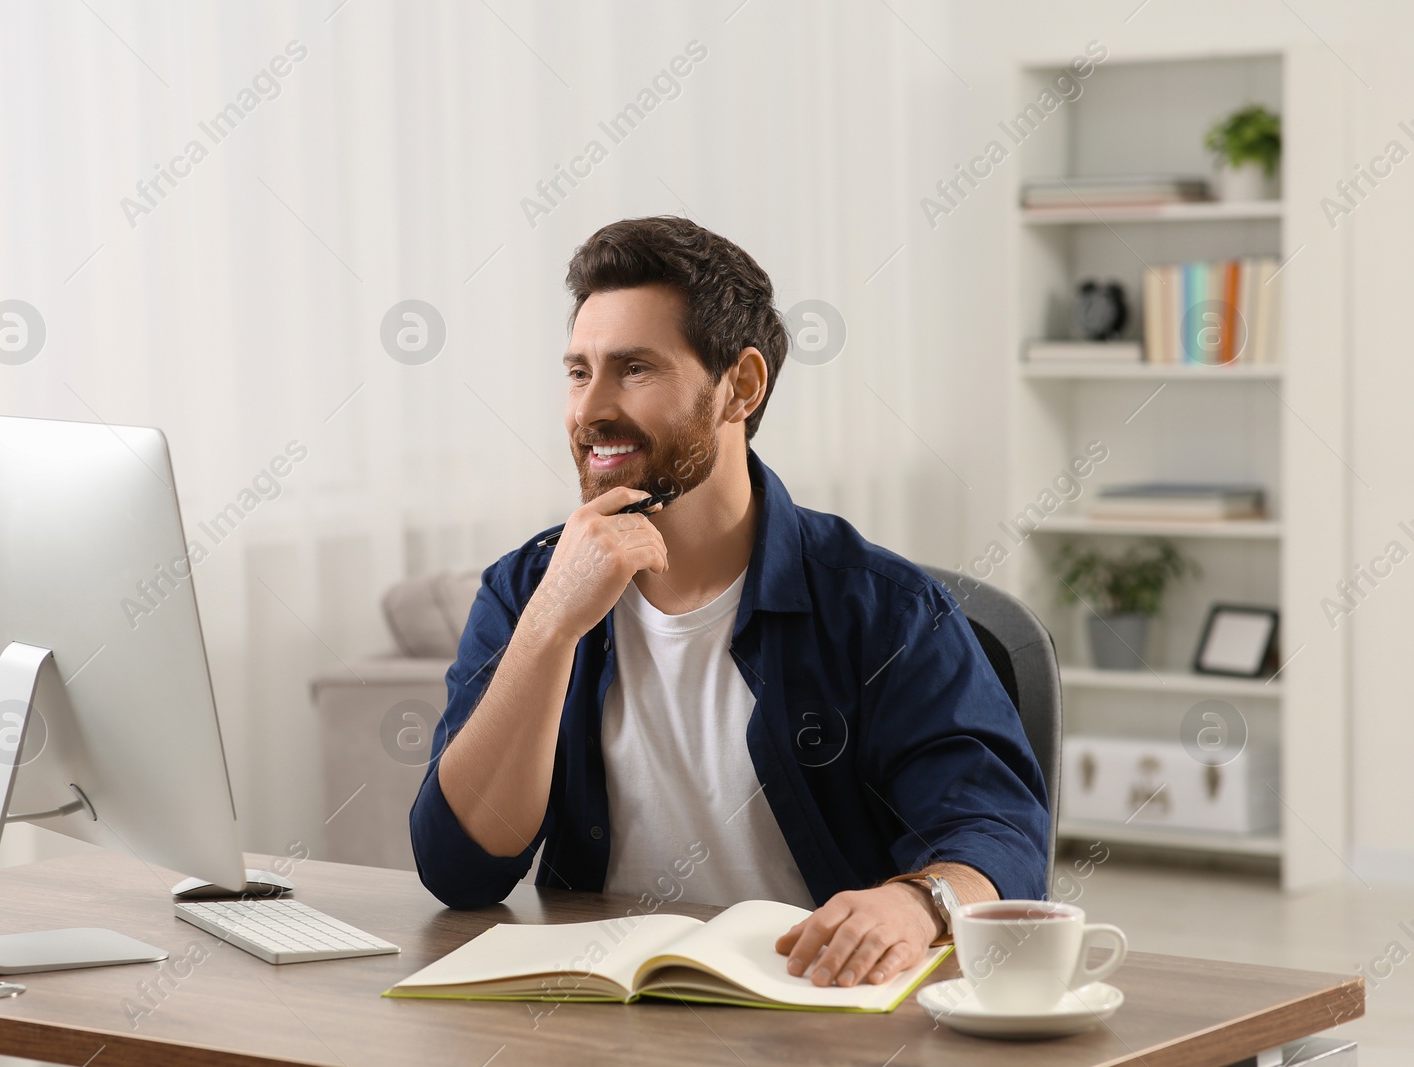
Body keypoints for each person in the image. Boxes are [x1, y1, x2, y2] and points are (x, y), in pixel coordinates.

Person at [410, 216, 1048, 989]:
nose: (590, 409)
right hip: (597, 1024)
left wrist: (916, 905)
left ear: (740, 387)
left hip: (816, 1020)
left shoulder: (884, 611)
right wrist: (550, 626)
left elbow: (1001, 835)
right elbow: (460, 869)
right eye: (579, 372)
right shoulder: (525, 590)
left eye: (634, 369)